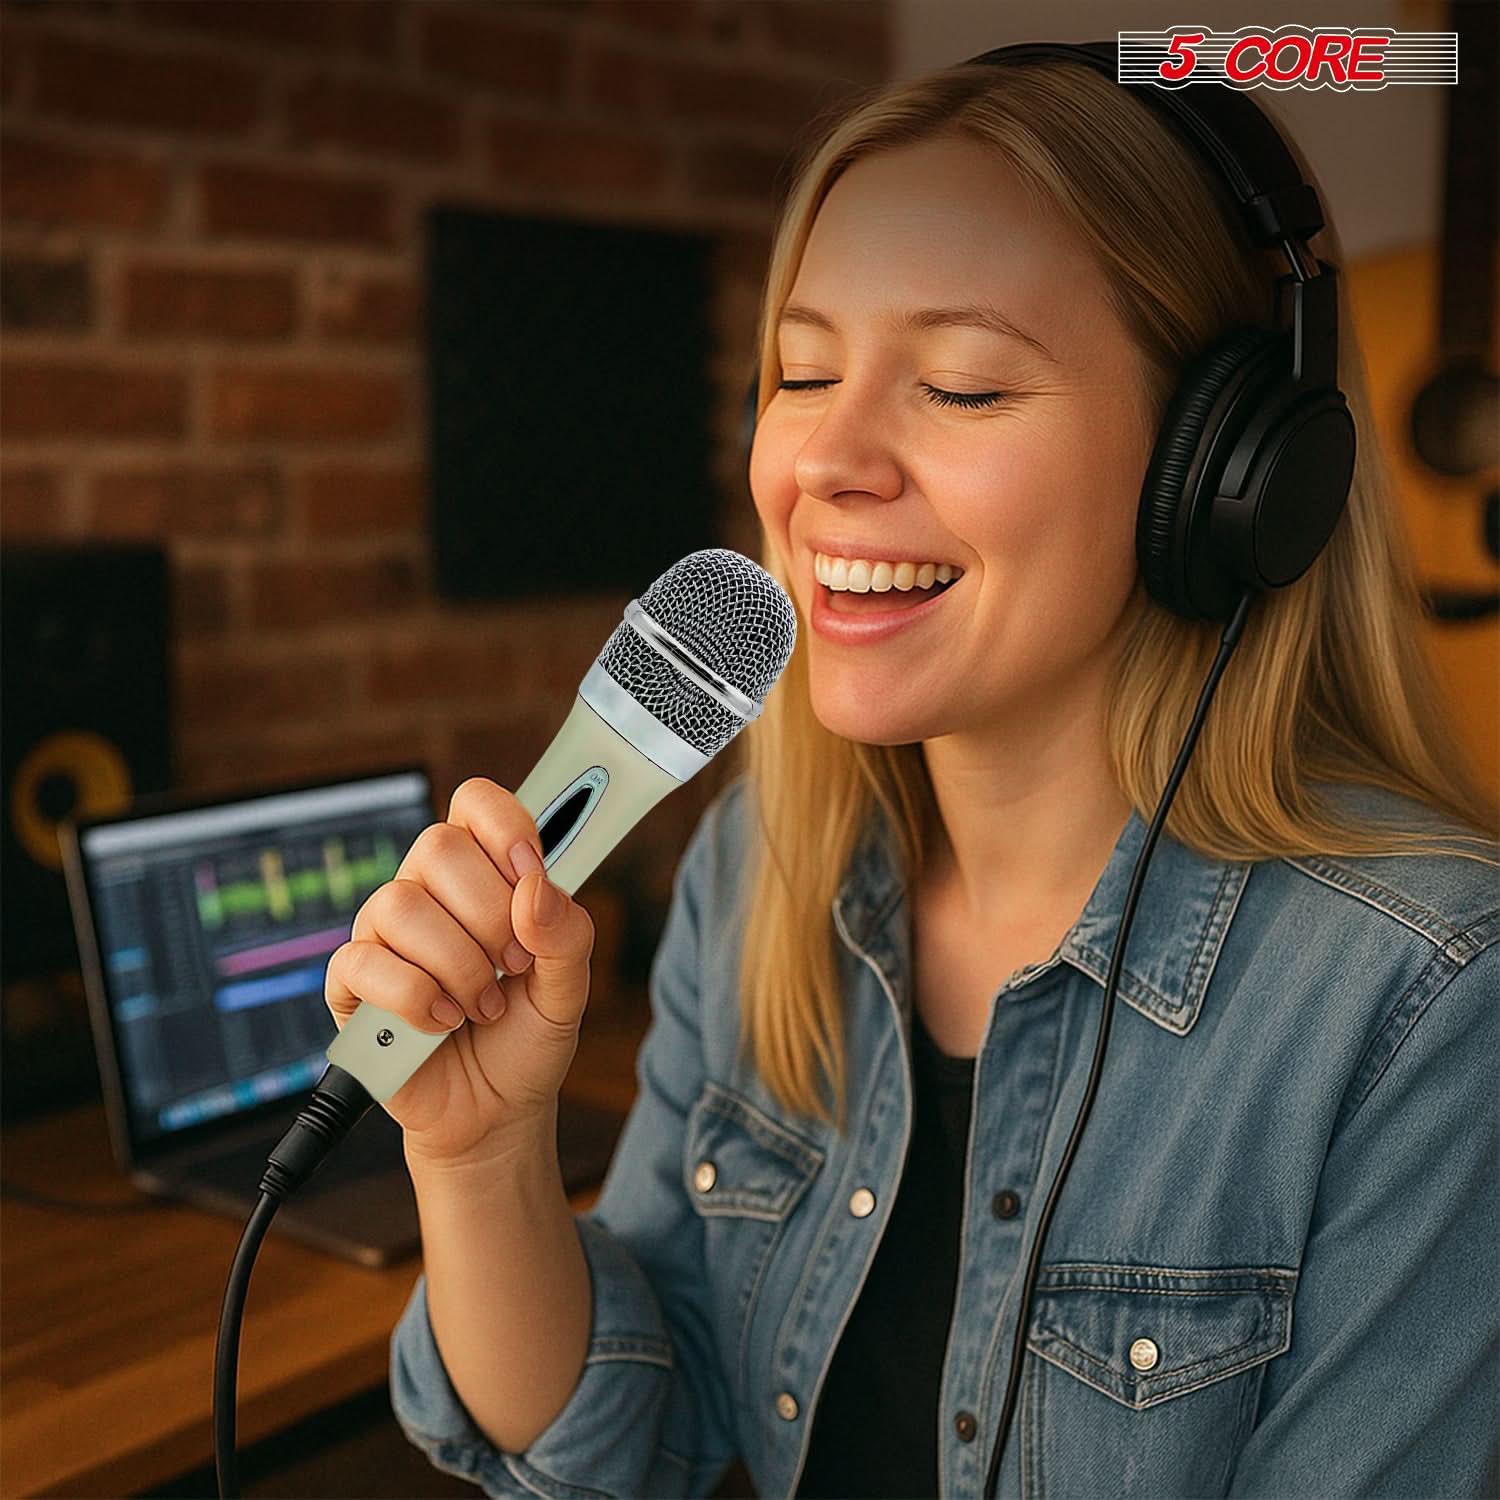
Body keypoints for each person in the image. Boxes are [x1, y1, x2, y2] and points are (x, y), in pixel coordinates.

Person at [324, 50, 1499, 1500]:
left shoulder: (1430, 1000)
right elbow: (630, 1442)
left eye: (960, 385)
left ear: (1224, 474)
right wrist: (483, 1158)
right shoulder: (758, 867)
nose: (827, 458)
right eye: (805, 372)